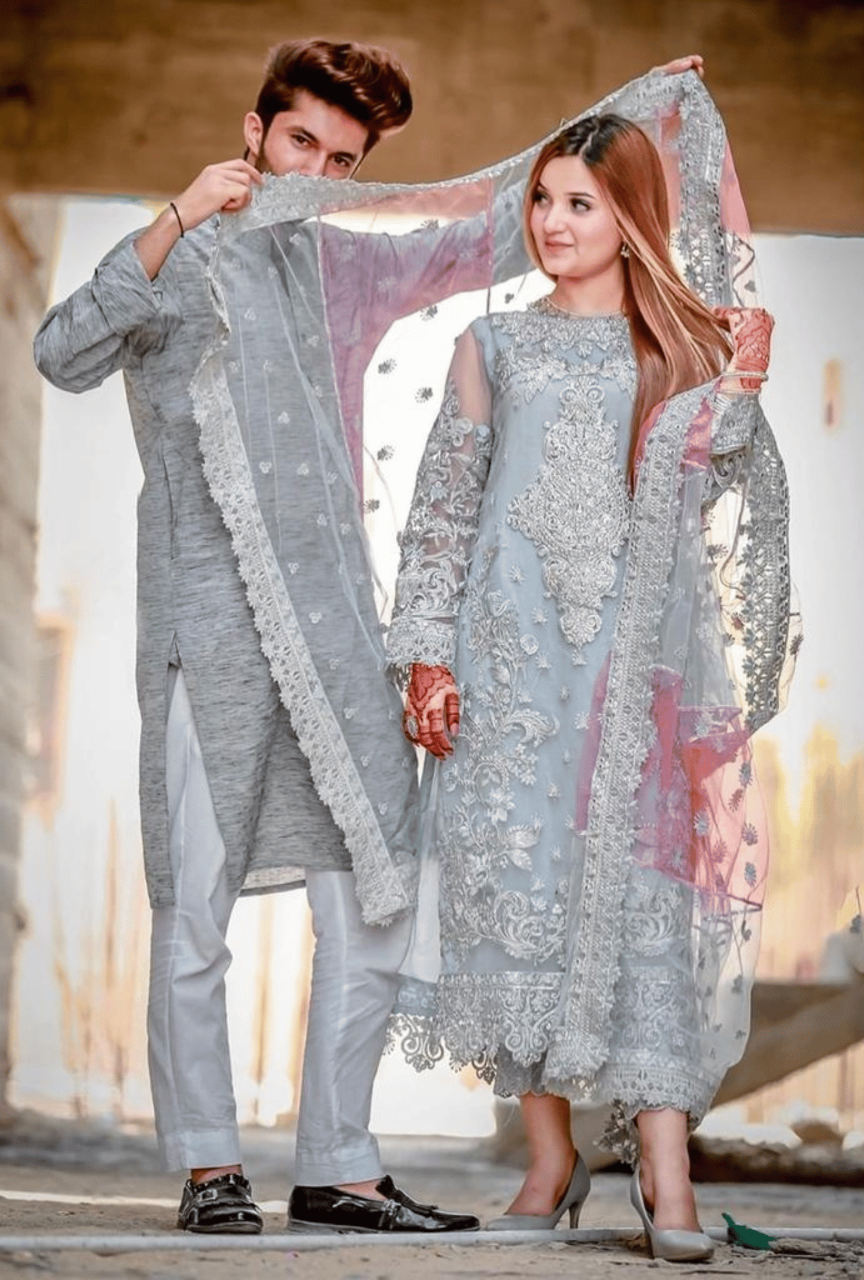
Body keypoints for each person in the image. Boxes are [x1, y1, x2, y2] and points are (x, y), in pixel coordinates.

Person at [33, 33, 710, 1237]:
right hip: (213, 630)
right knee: (197, 905)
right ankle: (206, 1165)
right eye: (302, 143)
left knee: (377, 901)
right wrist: (181, 215)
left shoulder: (339, 271)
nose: (320, 173)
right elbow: (64, 348)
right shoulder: (176, 263)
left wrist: (634, 108)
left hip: (340, 627)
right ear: (254, 136)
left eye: (345, 161)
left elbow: (495, 229)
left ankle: (338, 1161)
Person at [386, 110, 797, 1261]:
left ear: (629, 219)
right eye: (543, 200)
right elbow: (445, 513)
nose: (554, 223)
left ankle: (667, 1181)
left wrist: (746, 377)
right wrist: (428, 649)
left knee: (639, 908)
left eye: (582, 202)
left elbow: (714, 476)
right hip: (509, 671)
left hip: (630, 681)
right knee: (517, 892)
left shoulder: (675, 352)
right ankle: (553, 1157)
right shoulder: (494, 346)